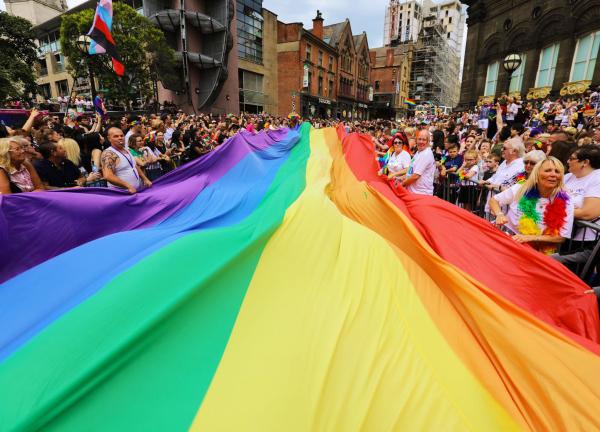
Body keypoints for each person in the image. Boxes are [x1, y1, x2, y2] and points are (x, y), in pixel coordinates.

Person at [489, 157, 573, 255]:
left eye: (557, 171)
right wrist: (499, 214)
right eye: (548, 170)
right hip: (507, 241)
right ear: (536, 174)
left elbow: (561, 237)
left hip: (535, 252)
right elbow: (494, 200)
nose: (553, 174)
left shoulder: (566, 202)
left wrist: (529, 238)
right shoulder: (521, 188)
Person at [553, 145, 600, 270]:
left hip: (585, 240)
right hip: (563, 234)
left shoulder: (597, 178)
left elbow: (588, 213)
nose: (568, 161)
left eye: (572, 158)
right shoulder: (569, 176)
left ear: (585, 162)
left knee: (571, 275)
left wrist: (556, 211)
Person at [101, 127, 152, 193]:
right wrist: (128, 186)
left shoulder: (126, 149)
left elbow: (134, 166)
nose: (120, 138)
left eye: (122, 136)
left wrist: (145, 179)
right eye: (116, 136)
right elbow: (108, 176)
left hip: (135, 191)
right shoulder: (108, 154)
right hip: (121, 193)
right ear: (109, 138)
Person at [400, 129, 436, 195]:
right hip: (414, 192)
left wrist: (402, 184)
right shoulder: (419, 152)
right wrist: (401, 178)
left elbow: (415, 176)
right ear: (416, 140)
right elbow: (411, 170)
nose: (421, 142)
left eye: (424, 140)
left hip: (421, 194)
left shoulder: (426, 154)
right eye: (419, 139)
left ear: (428, 141)